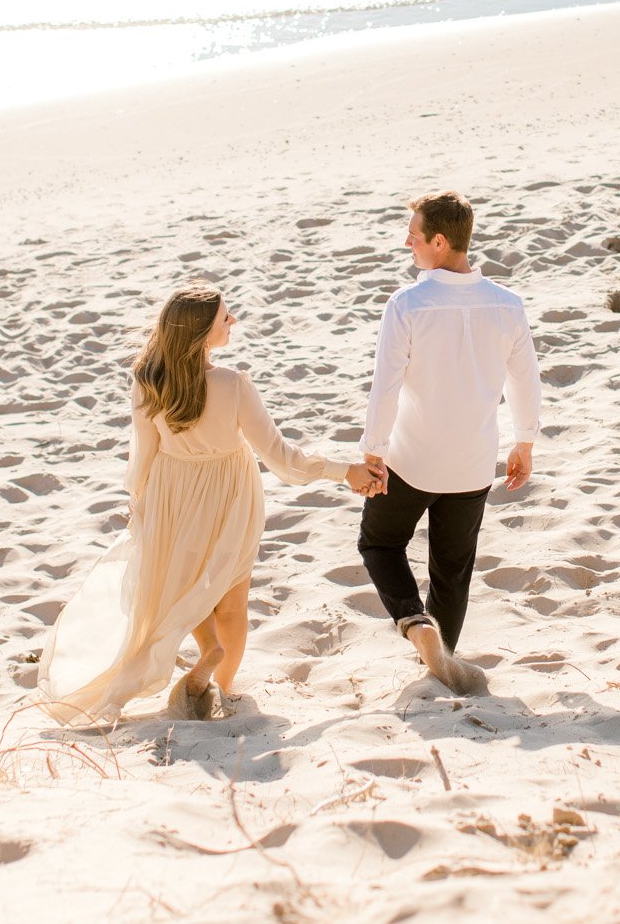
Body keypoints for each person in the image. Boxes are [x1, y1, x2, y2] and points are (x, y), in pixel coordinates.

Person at [36, 284, 380, 724]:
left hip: (170, 493)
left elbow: (142, 455)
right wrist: (343, 470)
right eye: (225, 318)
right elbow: (282, 458)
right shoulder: (232, 384)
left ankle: (208, 650)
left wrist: (138, 501)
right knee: (232, 603)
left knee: (184, 583)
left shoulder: (148, 380)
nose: (232, 321)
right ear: (201, 335)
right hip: (229, 496)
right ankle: (225, 685)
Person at [358, 190, 542, 694]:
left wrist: (373, 451)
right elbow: (524, 381)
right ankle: (445, 660)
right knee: (452, 570)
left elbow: (386, 384)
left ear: (439, 242)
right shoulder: (507, 305)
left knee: (378, 542)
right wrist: (524, 441)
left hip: (412, 461)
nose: (407, 243)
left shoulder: (408, 304)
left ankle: (416, 626)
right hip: (473, 465)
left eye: (414, 236)